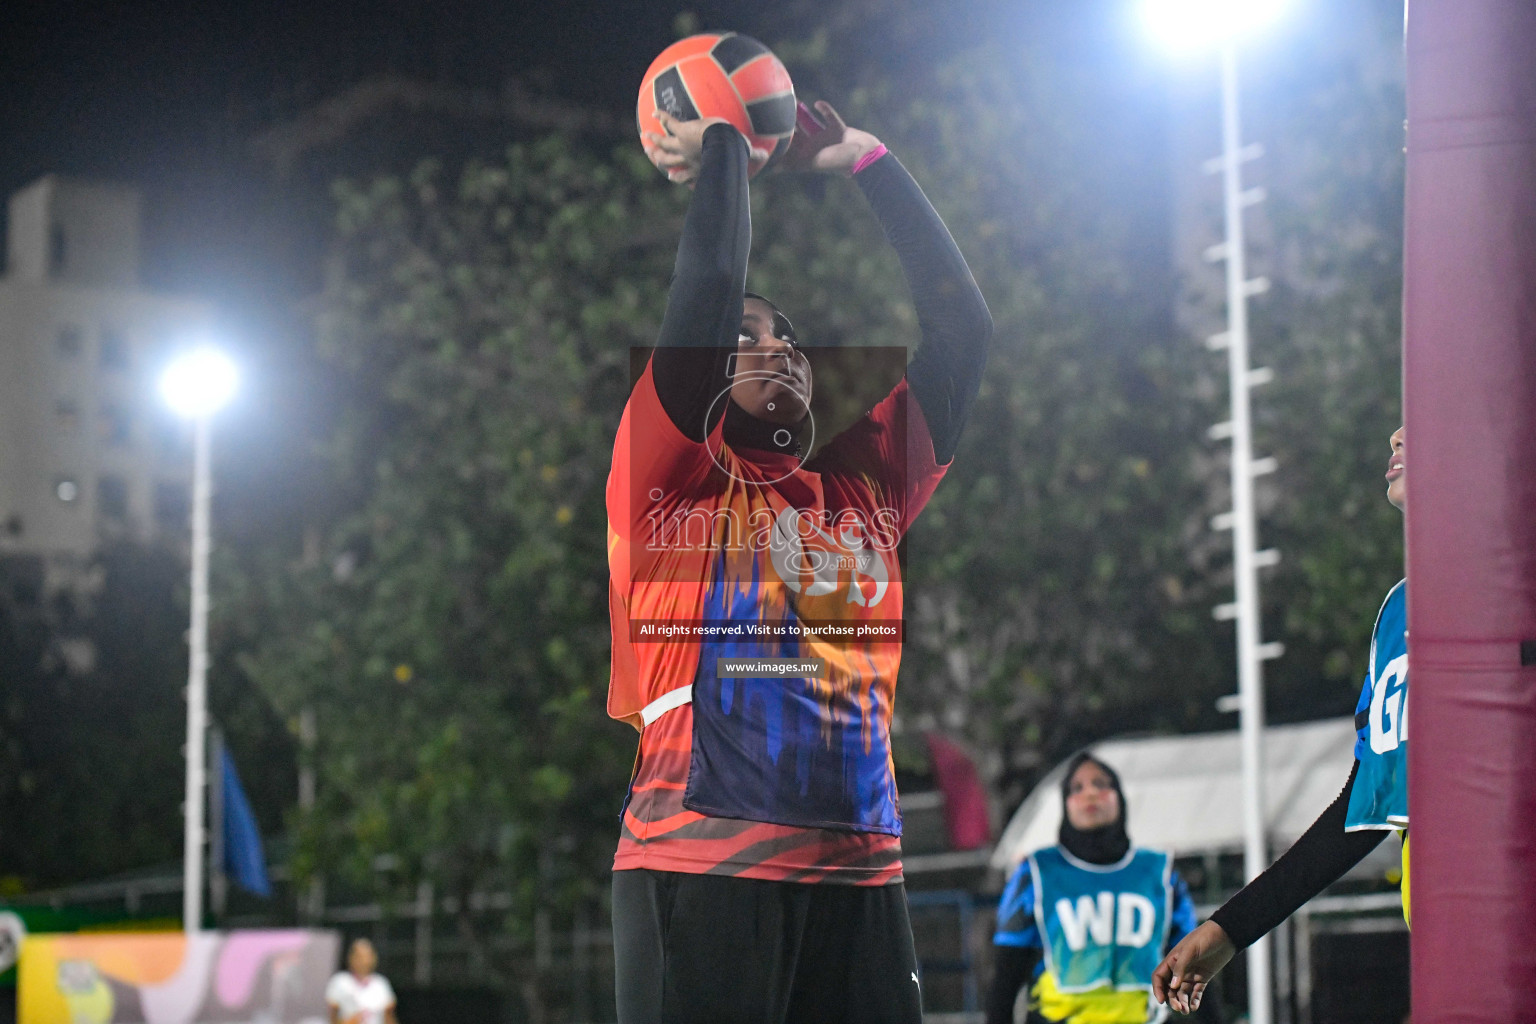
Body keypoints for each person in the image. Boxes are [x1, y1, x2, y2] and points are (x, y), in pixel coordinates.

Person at [605, 98, 992, 1024]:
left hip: (861, 869)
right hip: (701, 860)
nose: (772, 343)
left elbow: (965, 332)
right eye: (746, 336)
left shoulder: (863, 491)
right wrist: (729, 139)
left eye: (784, 334)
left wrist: (870, 161)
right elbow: (702, 290)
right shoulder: (668, 480)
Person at [1152, 426, 1409, 1015]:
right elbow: (1364, 807)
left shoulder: (1512, 582)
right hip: (1451, 930)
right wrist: (1230, 930)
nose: (1394, 435)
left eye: (1420, 417)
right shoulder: (1396, 614)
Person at [986, 753, 1203, 1024]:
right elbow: (1007, 973)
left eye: (1101, 784)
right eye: (1077, 788)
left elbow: (1193, 966)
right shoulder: (1036, 873)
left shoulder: (1160, 872)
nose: (1090, 794)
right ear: (1065, 804)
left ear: (1119, 798)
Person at [325, 938, 398, 1024]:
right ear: (351, 958)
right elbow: (332, 1016)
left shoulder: (381, 983)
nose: (364, 961)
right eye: (359, 956)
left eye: (367, 956)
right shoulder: (339, 981)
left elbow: (389, 1017)